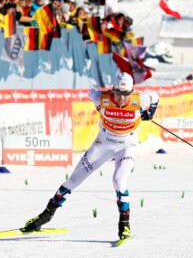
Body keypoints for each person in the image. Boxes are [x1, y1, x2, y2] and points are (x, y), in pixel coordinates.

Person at [22, 72, 159, 242]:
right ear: (112, 89)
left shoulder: (141, 100)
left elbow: (156, 96)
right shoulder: (101, 98)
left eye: (125, 94)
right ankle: (45, 216)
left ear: (132, 92)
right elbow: (90, 93)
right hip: (103, 144)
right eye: (118, 93)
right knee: (72, 181)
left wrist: (151, 112)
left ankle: (124, 224)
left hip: (126, 146)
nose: (121, 98)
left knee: (118, 180)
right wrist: (99, 107)